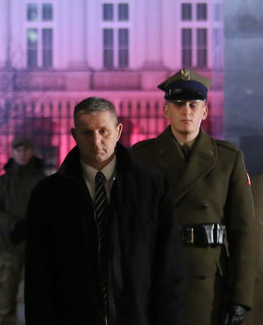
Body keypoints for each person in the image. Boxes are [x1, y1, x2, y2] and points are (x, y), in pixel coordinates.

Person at [25, 96, 186, 325]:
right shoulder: (48, 195)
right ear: (74, 135)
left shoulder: (151, 188)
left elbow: (169, 267)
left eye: (103, 131)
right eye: (87, 133)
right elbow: (38, 276)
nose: (96, 141)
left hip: (137, 315)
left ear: (118, 131)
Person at [132, 70, 257, 325]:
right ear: (166, 111)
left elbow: (243, 231)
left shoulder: (227, 158)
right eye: (178, 104)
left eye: (193, 104)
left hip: (210, 285)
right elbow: (129, 228)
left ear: (204, 111)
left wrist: (240, 297)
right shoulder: (142, 157)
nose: (186, 111)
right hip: (157, 280)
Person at [0, 136, 45, 325]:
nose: (22, 153)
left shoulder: (41, 181)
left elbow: (50, 209)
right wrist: (13, 226)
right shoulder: (2, 182)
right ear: (13, 152)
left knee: (37, 299)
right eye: (19, 149)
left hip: (35, 246)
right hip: (8, 245)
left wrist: (33, 226)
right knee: (6, 297)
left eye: (26, 149)